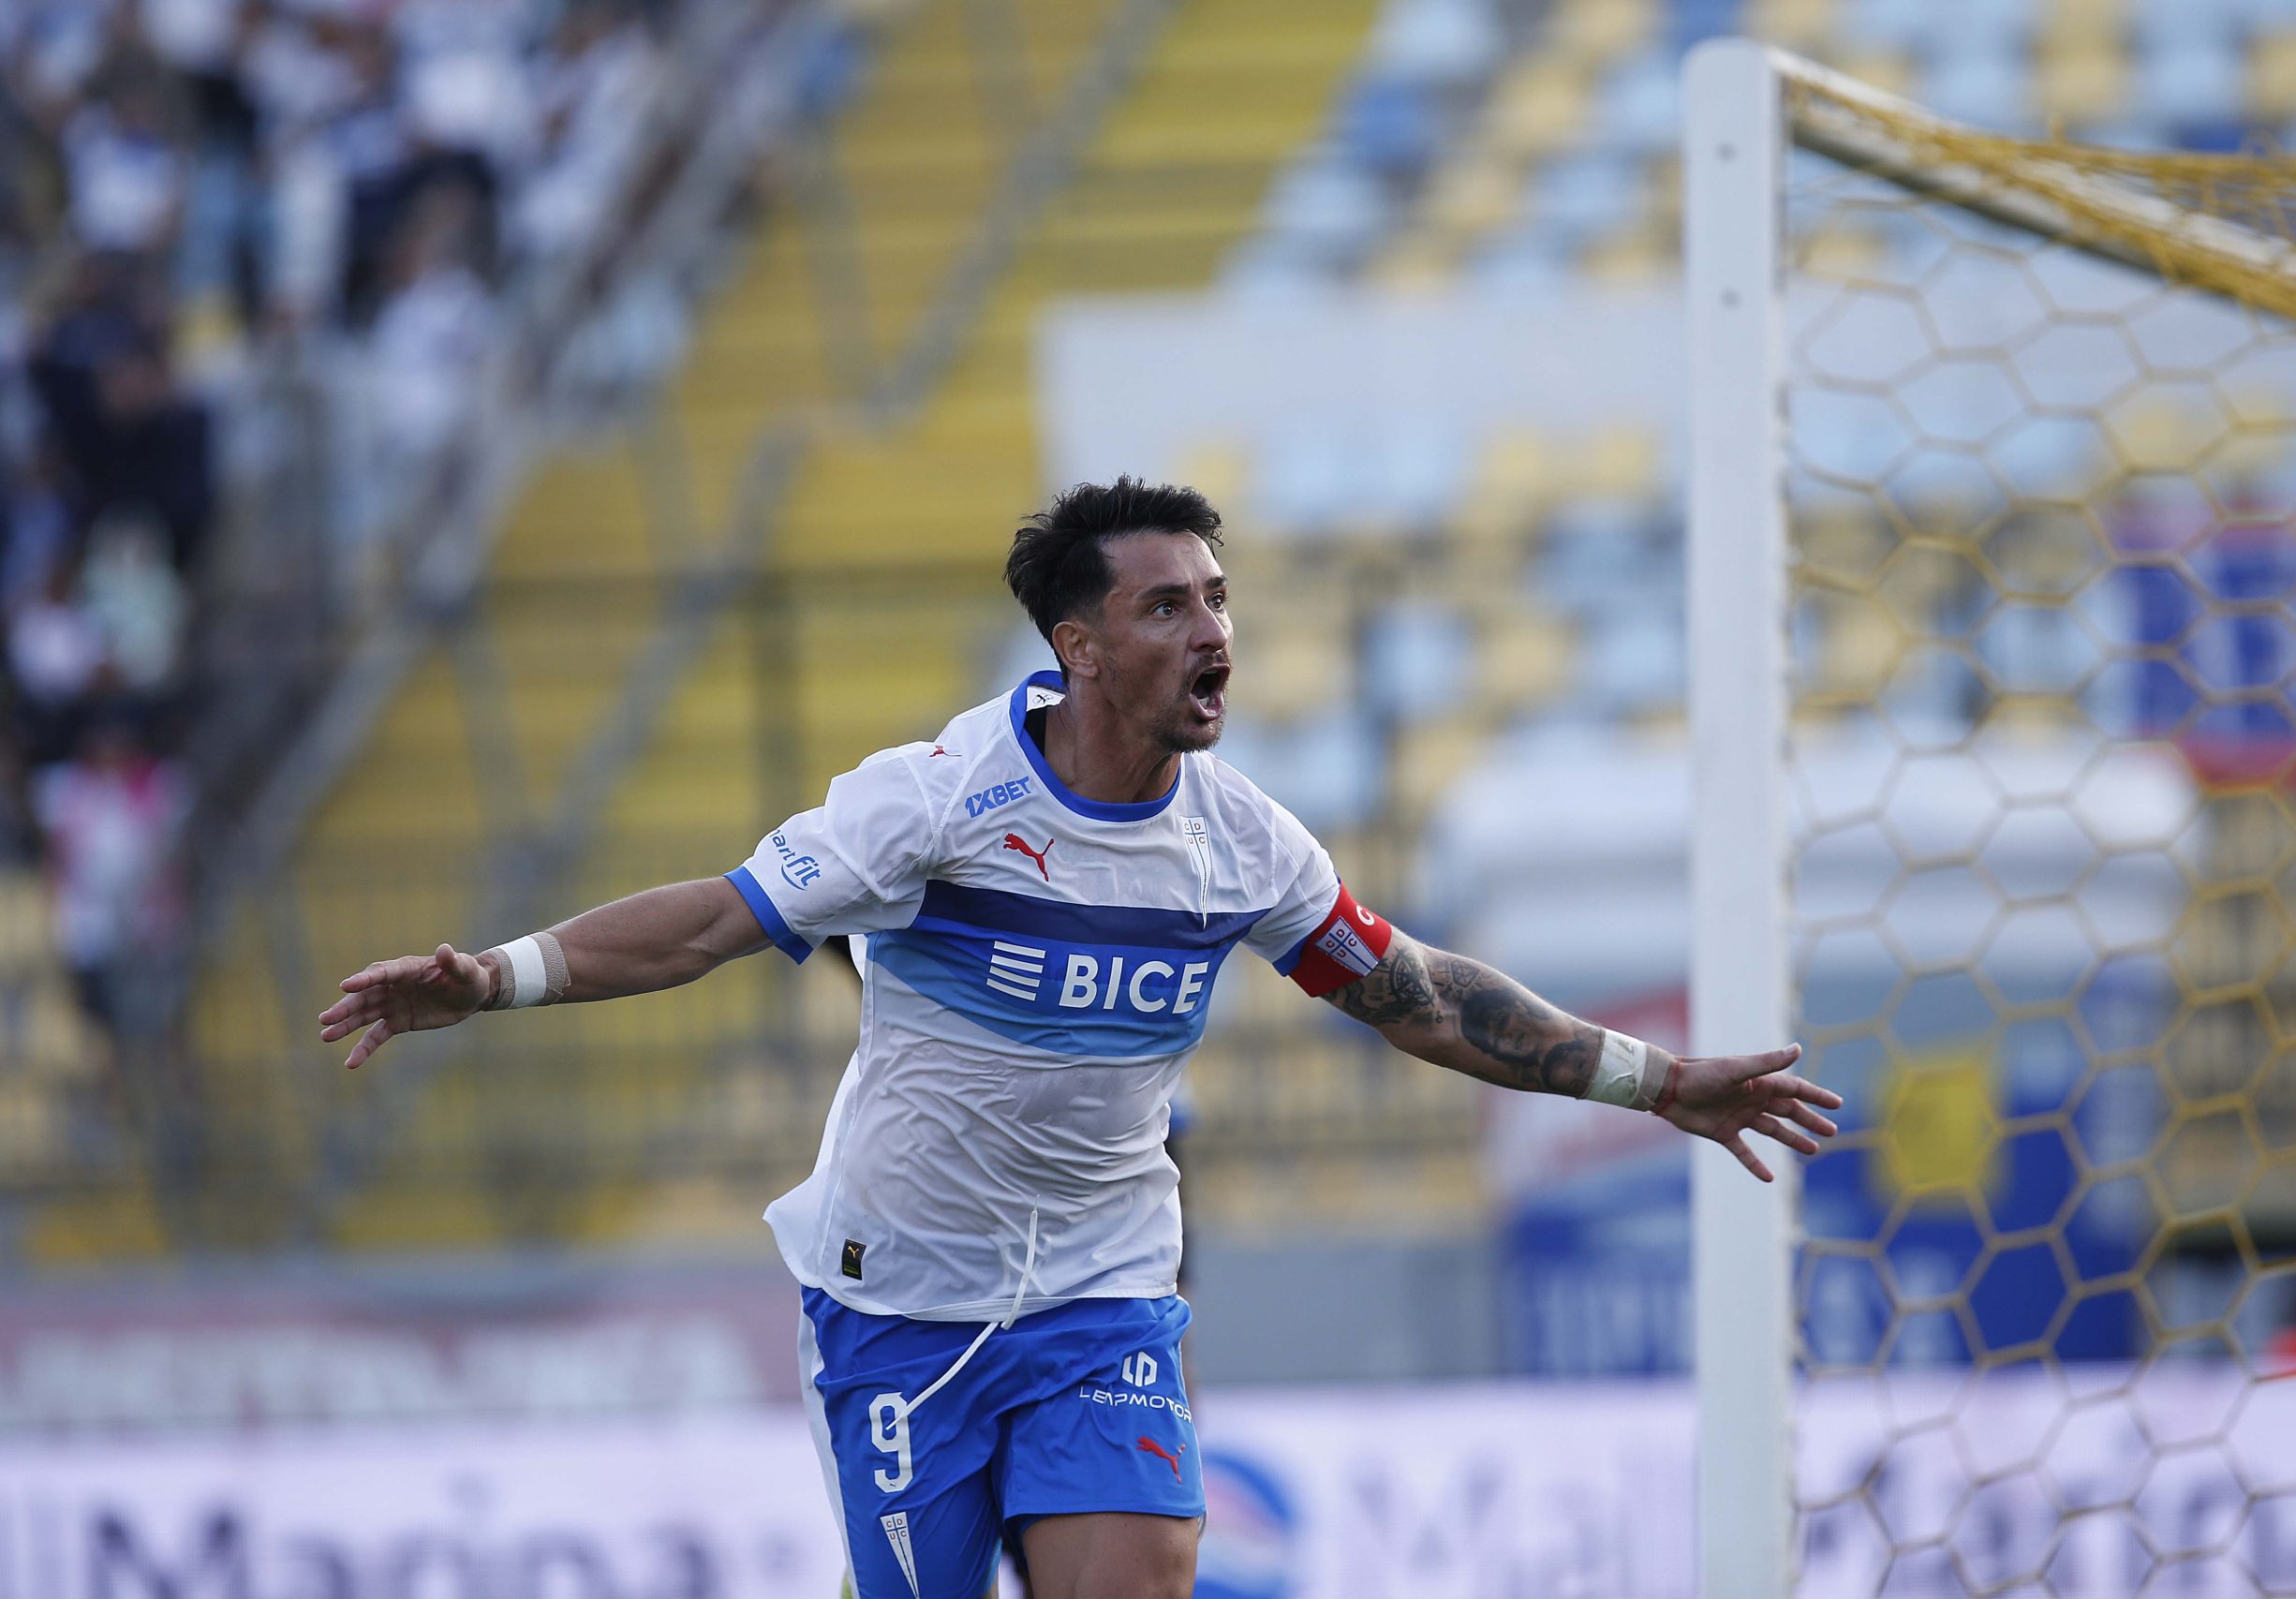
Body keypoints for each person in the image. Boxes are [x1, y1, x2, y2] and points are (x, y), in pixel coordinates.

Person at [317, 478, 1843, 1599]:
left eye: (1219, 600)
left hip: (1103, 1295)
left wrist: (1654, 1081)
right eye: (1168, 606)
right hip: (901, 1301)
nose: (1213, 631)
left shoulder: (1244, 845)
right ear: (1082, 645)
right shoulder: (935, 804)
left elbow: (1420, 996)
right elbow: (714, 921)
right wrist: (499, 977)